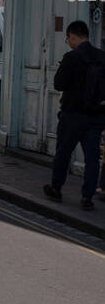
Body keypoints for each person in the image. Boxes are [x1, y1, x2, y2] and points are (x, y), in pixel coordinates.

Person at [43, 20, 105, 211]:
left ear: (72, 36)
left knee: (63, 153)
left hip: (72, 115)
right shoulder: (102, 57)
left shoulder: (71, 58)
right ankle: (87, 197)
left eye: (68, 38)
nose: (68, 42)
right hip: (95, 117)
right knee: (93, 159)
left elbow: (59, 84)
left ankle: (56, 187)